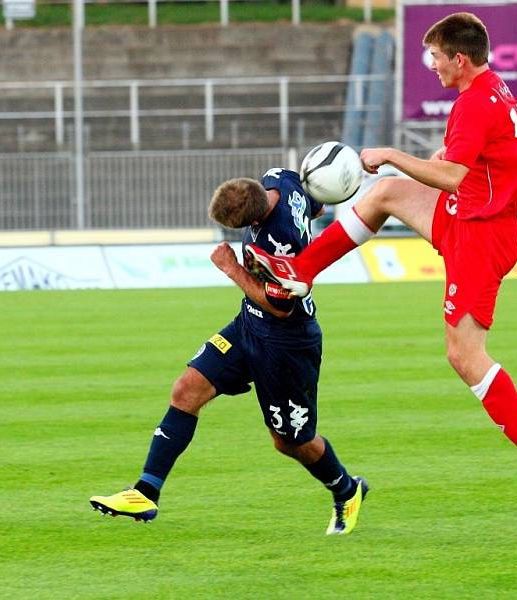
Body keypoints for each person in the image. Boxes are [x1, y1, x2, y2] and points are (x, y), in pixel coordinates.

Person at [246, 13, 517, 510]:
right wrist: (439, 160)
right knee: (386, 195)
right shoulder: (488, 92)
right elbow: (477, 157)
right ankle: (300, 272)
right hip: (469, 215)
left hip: (481, 235)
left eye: (435, 56)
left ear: (459, 58)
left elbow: (455, 175)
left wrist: (394, 153)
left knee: (464, 355)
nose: (431, 64)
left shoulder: (476, 104)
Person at [90, 168, 369, 535]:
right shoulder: (281, 180)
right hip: (248, 325)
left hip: (287, 342)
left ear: (253, 220)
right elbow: (315, 205)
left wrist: (232, 268)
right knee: (185, 390)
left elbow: (279, 306)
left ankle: (347, 490)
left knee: (289, 442)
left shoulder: (279, 242)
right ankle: (145, 492)